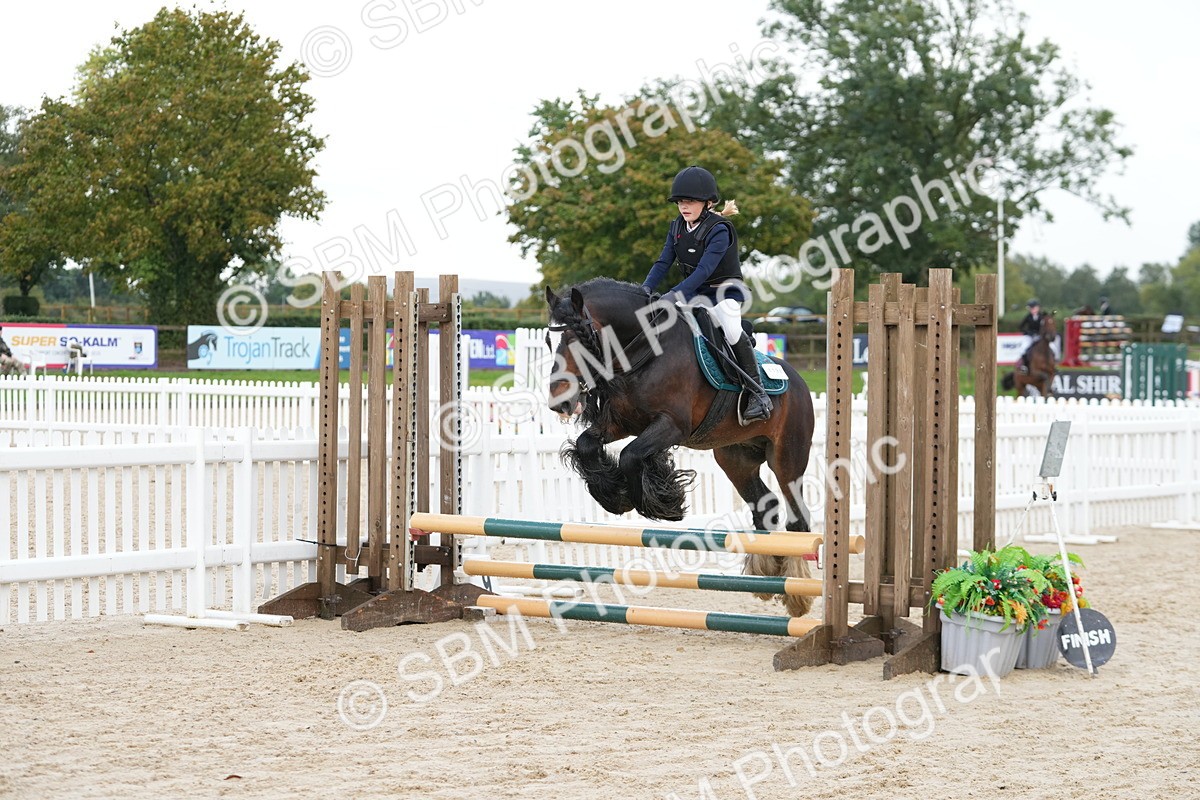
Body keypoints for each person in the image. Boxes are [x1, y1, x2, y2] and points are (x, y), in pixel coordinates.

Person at [641, 166, 770, 423]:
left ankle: (758, 394)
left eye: (689, 201)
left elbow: (704, 270)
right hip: (693, 293)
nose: (683, 207)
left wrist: (675, 294)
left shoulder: (720, 229)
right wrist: (645, 289)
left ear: (707, 203)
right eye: (680, 202)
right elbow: (663, 262)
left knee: (732, 330)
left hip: (724, 293)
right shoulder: (677, 227)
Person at [1017, 299, 1043, 373]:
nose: (1032, 310)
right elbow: (1021, 326)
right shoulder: (1028, 317)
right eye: (1031, 308)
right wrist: (1027, 332)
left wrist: (1040, 333)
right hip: (1029, 336)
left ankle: (1053, 364)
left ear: (1038, 308)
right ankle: (1024, 366)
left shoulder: (1042, 316)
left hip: (1039, 336)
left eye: (1033, 308)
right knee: (1023, 348)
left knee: (1051, 347)